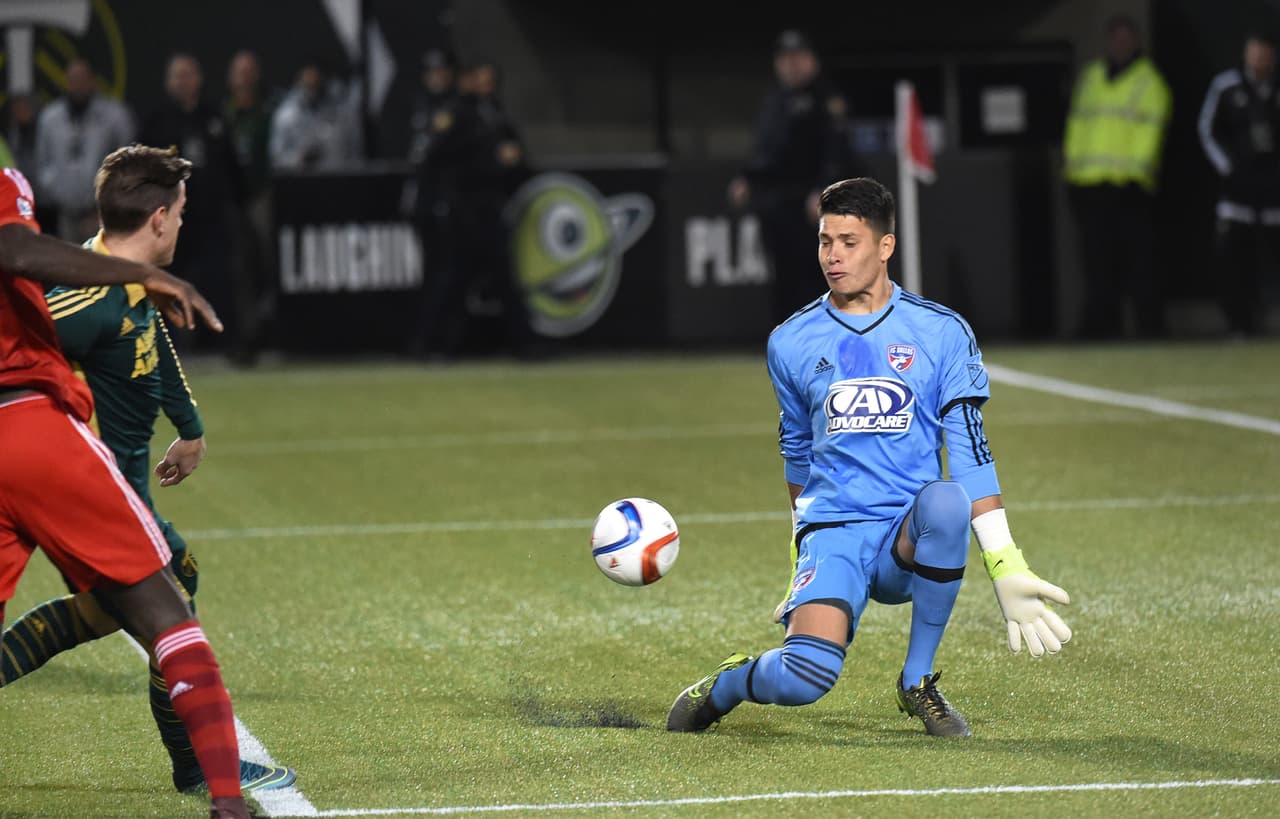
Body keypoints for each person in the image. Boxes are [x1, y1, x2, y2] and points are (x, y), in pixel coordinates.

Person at [667, 178, 1073, 738]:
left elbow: (971, 450)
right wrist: (798, 548)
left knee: (949, 500)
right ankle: (731, 683)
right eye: (825, 241)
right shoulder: (791, 340)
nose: (832, 256)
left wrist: (1004, 561)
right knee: (804, 678)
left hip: (908, 537)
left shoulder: (941, 332)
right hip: (834, 529)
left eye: (848, 242)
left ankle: (918, 680)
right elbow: (797, 450)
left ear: (885, 246)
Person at [1, 145, 296, 795]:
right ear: (159, 218)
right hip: (76, 484)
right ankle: (198, 769)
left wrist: (188, 428)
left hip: (113, 484)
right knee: (166, 604)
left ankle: (195, 765)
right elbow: (32, 325)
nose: (185, 224)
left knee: (120, 606)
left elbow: (154, 344)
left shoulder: (126, 284)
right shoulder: (85, 296)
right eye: (182, 212)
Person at [409, 58, 533, 360]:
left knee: (503, 277)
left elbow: (513, 149)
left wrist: (510, 158)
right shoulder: (457, 112)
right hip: (462, 208)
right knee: (451, 280)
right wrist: (492, 158)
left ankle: (525, 344)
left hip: (489, 207)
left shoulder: (493, 113)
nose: (486, 85)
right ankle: (432, 345)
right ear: (467, 80)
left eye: (491, 80)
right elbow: (434, 155)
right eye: (481, 79)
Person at [729, 30, 854, 326]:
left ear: (812, 61)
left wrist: (824, 190)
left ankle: (828, 337)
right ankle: (788, 342)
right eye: (786, 59)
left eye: (798, 58)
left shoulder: (826, 99)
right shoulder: (775, 100)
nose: (792, 65)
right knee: (782, 275)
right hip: (776, 202)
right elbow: (767, 149)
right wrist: (747, 178)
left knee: (819, 273)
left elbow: (835, 151)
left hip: (810, 203)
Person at [1063, 15, 1172, 339]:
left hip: (1130, 187)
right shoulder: (1092, 77)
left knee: (1139, 263)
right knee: (1097, 263)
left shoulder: (1149, 81)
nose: (1120, 44)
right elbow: (1078, 126)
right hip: (1089, 184)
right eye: (1116, 38)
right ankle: (1100, 327)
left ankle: (1148, 327)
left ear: (1136, 41)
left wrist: (1135, 174)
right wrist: (1071, 172)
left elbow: (1151, 132)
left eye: (1126, 38)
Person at [140, 54, 246, 360]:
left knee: (220, 280)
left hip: (211, 216)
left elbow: (232, 165)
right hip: (171, 217)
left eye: (188, 75)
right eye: (177, 76)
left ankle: (228, 345)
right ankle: (165, 348)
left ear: (199, 79)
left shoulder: (214, 118)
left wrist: (234, 201)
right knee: (166, 282)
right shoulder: (157, 121)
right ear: (168, 82)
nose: (183, 81)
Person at [1198, 30, 1280, 337]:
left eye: (1265, 54)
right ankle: (1239, 324)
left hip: (1274, 191)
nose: (1259, 59)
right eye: (1255, 52)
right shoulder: (1227, 86)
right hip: (1237, 190)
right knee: (1234, 259)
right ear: (1246, 54)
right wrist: (1228, 167)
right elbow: (1207, 129)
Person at [33, 58, 134, 240]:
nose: (77, 85)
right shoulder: (50, 118)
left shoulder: (115, 116)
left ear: (93, 81)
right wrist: (57, 192)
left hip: (103, 213)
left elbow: (128, 164)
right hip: (63, 212)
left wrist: (106, 204)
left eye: (82, 79)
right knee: (68, 264)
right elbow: (43, 163)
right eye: (73, 79)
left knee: (101, 264)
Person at [224, 50, 275, 360]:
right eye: (238, 71)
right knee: (239, 269)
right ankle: (244, 334)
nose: (243, 78)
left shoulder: (267, 111)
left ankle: (269, 331)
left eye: (249, 71)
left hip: (261, 195)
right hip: (233, 201)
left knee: (268, 263)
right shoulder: (225, 114)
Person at [268, 57, 363, 172]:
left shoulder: (343, 113)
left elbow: (356, 153)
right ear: (299, 81)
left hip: (338, 178)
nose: (312, 87)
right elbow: (276, 156)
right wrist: (298, 159)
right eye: (308, 83)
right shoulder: (286, 115)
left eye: (317, 81)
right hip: (300, 181)